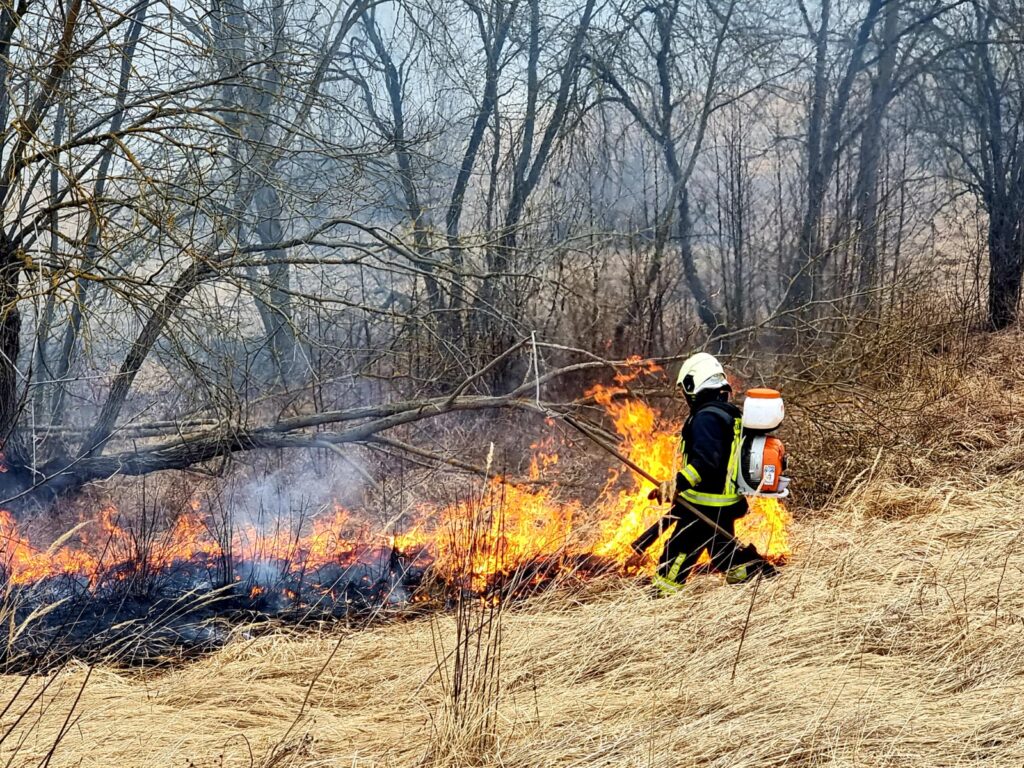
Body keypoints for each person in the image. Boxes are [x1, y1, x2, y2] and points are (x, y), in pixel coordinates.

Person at [632, 352, 776, 592]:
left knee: (676, 555)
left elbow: (707, 463)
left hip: (704, 506)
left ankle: (661, 598)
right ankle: (759, 575)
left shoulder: (706, 417)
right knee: (723, 556)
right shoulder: (728, 413)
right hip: (722, 504)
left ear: (693, 383)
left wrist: (677, 483)